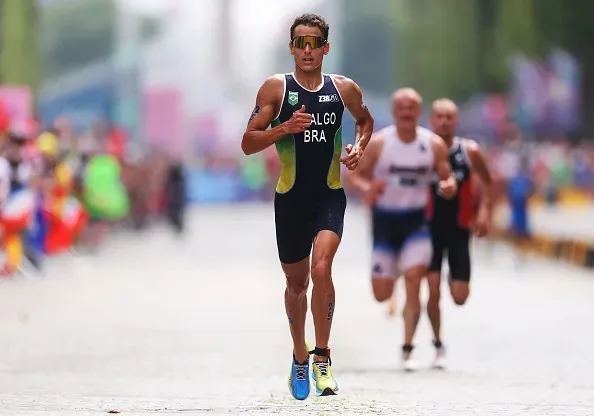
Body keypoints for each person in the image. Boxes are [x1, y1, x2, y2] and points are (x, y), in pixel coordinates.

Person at [241, 13, 374, 399]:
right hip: (291, 201)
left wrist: (359, 149)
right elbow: (248, 142)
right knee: (296, 285)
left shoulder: (343, 89)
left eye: (314, 42)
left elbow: (365, 121)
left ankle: (321, 357)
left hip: (330, 195)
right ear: (291, 48)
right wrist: (284, 128)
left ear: (325, 48)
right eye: (300, 43)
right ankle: (299, 353)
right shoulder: (275, 90)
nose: (307, 50)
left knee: (322, 267)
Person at [346, 88, 456, 371]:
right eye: (402, 108)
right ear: (395, 112)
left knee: (415, 279)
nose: (407, 113)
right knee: (381, 294)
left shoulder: (432, 145)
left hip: (416, 223)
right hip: (385, 224)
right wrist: (368, 187)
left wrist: (448, 186)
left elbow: (448, 178)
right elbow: (354, 176)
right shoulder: (380, 143)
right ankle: (390, 277)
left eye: (412, 108)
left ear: (419, 112)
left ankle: (407, 349)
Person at [425, 98, 494, 369]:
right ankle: (438, 343)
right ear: (432, 120)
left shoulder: (469, 151)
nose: (443, 121)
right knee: (431, 291)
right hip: (428, 228)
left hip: (458, 228)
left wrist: (485, 212)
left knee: (460, 296)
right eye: (439, 116)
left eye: (449, 117)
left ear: (456, 121)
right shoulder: (422, 149)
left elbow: (488, 181)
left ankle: (450, 277)